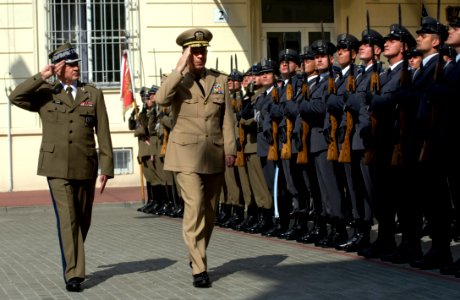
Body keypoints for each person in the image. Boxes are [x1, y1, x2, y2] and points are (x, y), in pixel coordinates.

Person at [9, 42, 114, 292]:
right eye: (70, 64)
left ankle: (72, 258)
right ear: (59, 68)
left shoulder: (93, 93)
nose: (76, 68)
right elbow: (15, 97)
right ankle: (74, 274)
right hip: (56, 167)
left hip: (85, 164)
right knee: (68, 220)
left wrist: (107, 167)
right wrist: (41, 76)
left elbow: (104, 131)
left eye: (77, 63)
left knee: (82, 220)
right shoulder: (46, 92)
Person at [156, 28, 236, 288]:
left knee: (210, 212)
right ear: (186, 53)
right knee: (195, 206)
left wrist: (230, 149)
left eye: (203, 51)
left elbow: (226, 118)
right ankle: (199, 268)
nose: (200, 56)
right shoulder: (177, 79)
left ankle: (196, 254)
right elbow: (160, 99)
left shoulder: (219, 80)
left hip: (213, 152)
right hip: (186, 155)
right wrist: (179, 68)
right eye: (195, 51)